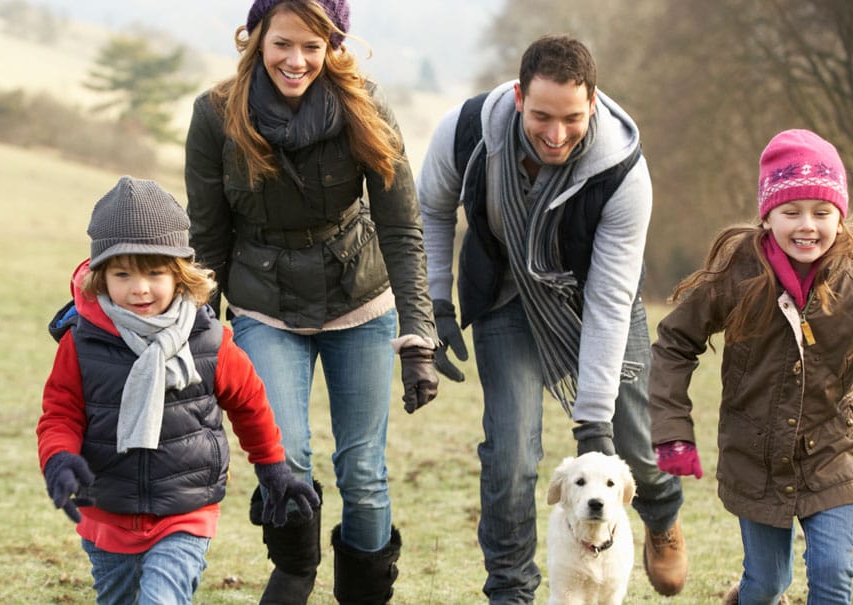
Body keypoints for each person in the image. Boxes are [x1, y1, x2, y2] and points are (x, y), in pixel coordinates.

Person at [415, 34, 687, 602]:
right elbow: (432, 208)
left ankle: (662, 515)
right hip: (505, 296)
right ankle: (511, 591)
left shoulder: (623, 173)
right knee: (512, 455)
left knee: (633, 442)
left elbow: (612, 299)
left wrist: (593, 423)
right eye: (541, 115)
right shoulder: (466, 133)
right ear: (518, 97)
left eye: (571, 118)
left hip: (592, 299)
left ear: (593, 102)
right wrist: (435, 301)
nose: (556, 134)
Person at [184, 0, 440, 602]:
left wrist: (419, 337)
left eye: (312, 46)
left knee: (364, 472)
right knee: (287, 457)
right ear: (256, 39)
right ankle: (295, 569)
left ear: (334, 47)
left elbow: (402, 229)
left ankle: (364, 594)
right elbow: (208, 240)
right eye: (283, 44)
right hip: (263, 303)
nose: (296, 60)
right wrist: (196, 337)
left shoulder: (365, 107)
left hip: (360, 302)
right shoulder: (216, 115)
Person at [36, 176, 320, 605]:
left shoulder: (211, 341)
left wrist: (273, 467)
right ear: (99, 276)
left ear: (181, 272)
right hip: (106, 509)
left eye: (155, 272)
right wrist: (59, 459)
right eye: (122, 273)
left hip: (186, 511)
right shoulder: (83, 342)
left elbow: (250, 405)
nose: (140, 288)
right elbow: (61, 413)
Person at [650, 129, 853, 605]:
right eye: (791, 212)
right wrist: (672, 431)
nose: (807, 226)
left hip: (832, 452)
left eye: (822, 213)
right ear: (768, 215)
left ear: (840, 218)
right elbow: (675, 342)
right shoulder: (738, 273)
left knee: (835, 575)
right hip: (755, 459)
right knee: (766, 586)